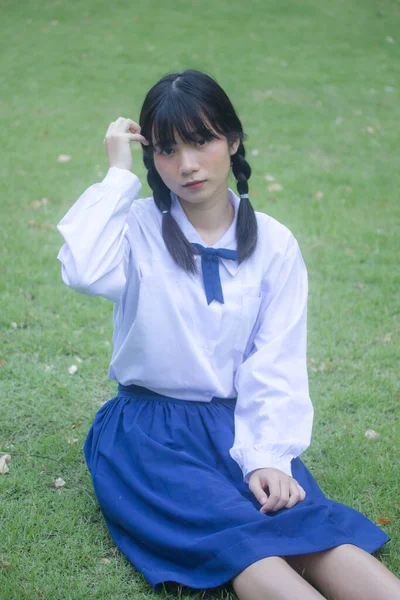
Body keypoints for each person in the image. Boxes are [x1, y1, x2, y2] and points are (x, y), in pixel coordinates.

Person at [56, 69, 400, 600]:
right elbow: (81, 268)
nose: (187, 165)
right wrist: (118, 176)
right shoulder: (137, 228)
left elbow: (277, 358)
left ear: (232, 140)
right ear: (153, 160)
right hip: (148, 435)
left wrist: (267, 454)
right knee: (246, 544)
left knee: (309, 529)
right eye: (167, 150)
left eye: (201, 141)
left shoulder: (275, 244)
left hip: (236, 425)